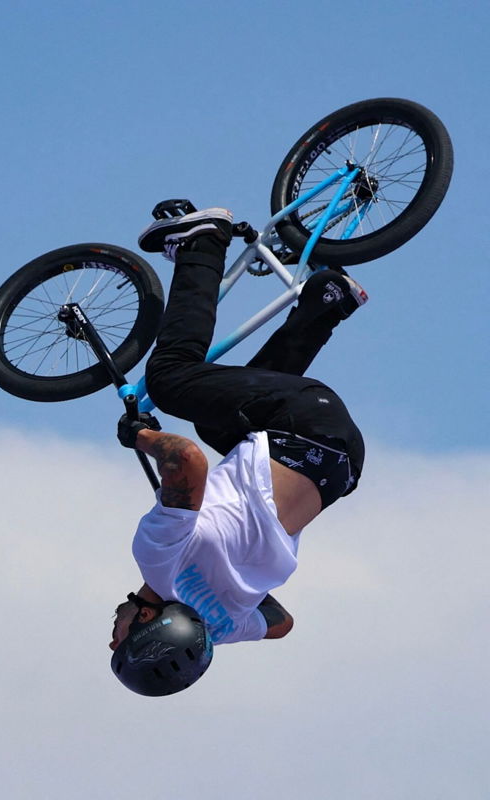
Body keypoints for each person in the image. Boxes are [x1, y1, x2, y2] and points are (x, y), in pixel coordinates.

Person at [108, 207, 368, 697]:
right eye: (120, 642)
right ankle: (201, 243)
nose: (110, 641)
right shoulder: (157, 558)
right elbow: (187, 460)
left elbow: (282, 622)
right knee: (169, 380)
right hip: (303, 425)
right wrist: (140, 435)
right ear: (145, 619)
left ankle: (327, 301)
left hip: (341, 466)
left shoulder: (225, 626)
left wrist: (229, 591)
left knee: (216, 422)